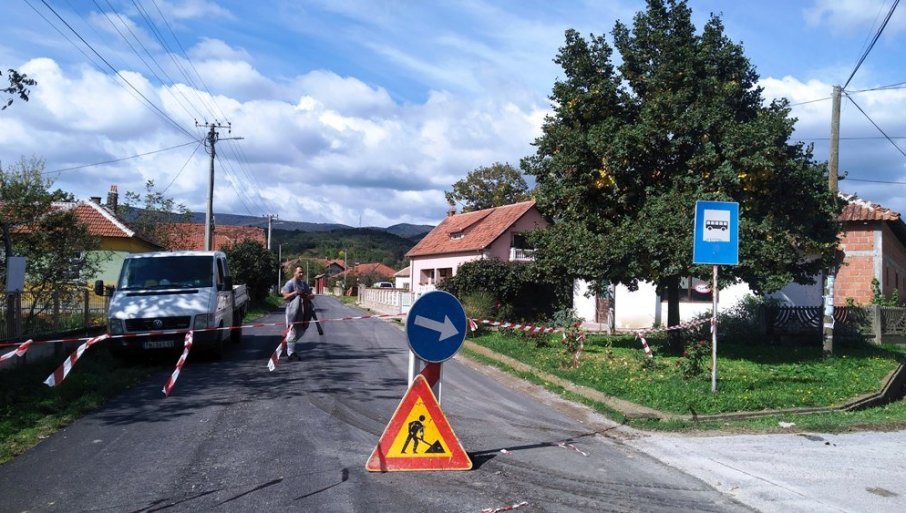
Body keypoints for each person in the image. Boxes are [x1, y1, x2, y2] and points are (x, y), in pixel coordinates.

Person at [281, 266, 313, 361]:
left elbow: (311, 294)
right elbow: (285, 297)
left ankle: (289, 345)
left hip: (303, 311)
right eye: (299, 272)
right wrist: (295, 293)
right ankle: (291, 353)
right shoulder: (290, 283)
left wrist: (309, 296)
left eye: (302, 272)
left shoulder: (303, 284)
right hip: (293, 312)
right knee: (293, 332)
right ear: (294, 273)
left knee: (301, 331)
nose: (301, 274)